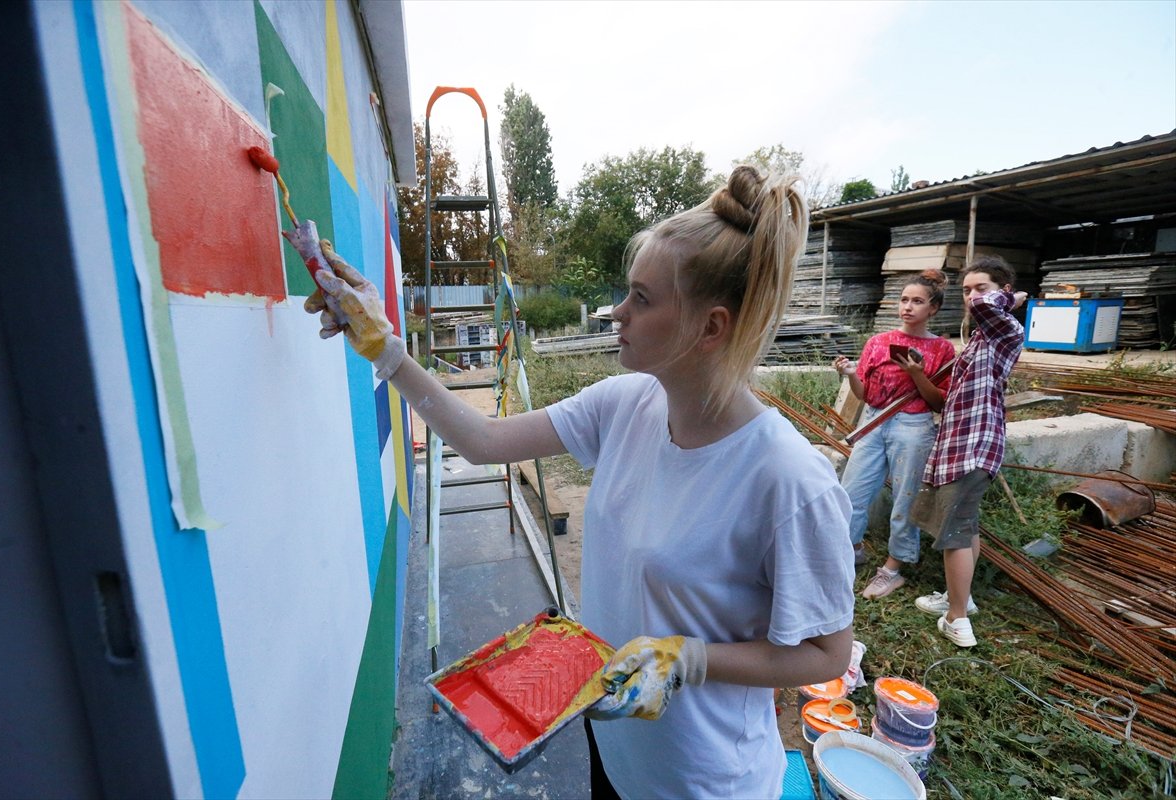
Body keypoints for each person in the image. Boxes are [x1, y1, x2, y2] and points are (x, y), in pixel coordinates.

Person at [299, 165, 855, 798]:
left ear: (711, 327)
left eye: (641, 299)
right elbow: (484, 443)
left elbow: (827, 654)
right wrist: (386, 350)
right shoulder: (627, 403)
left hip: (701, 778)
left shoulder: (786, 479)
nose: (616, 311)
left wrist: (690, 659)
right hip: (615, 745)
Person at [910, 255, 1026, 648]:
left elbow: (983, 307)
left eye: (982, 287)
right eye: (966, 289)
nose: (972, 297)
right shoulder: (981, 337)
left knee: (954, 534)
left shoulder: (1004, 328)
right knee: (967, 525)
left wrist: (1007, 299)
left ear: (1003, 292)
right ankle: (963, 598)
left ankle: (956, 619)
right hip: (959, 445)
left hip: (975, 446)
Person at [833, 270, 953, 600]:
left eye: (917, 301)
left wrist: (916, 373)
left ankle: (892, 570)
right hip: (874, 422)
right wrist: (850, 374)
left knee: (906, 498)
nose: (908, 307)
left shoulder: (942, 349)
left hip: (913, 427)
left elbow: (938, 401)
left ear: (934, 308)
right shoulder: (878, 342)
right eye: (904, 299)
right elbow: (864, 394)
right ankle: (851, 550)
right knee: (851, 491)